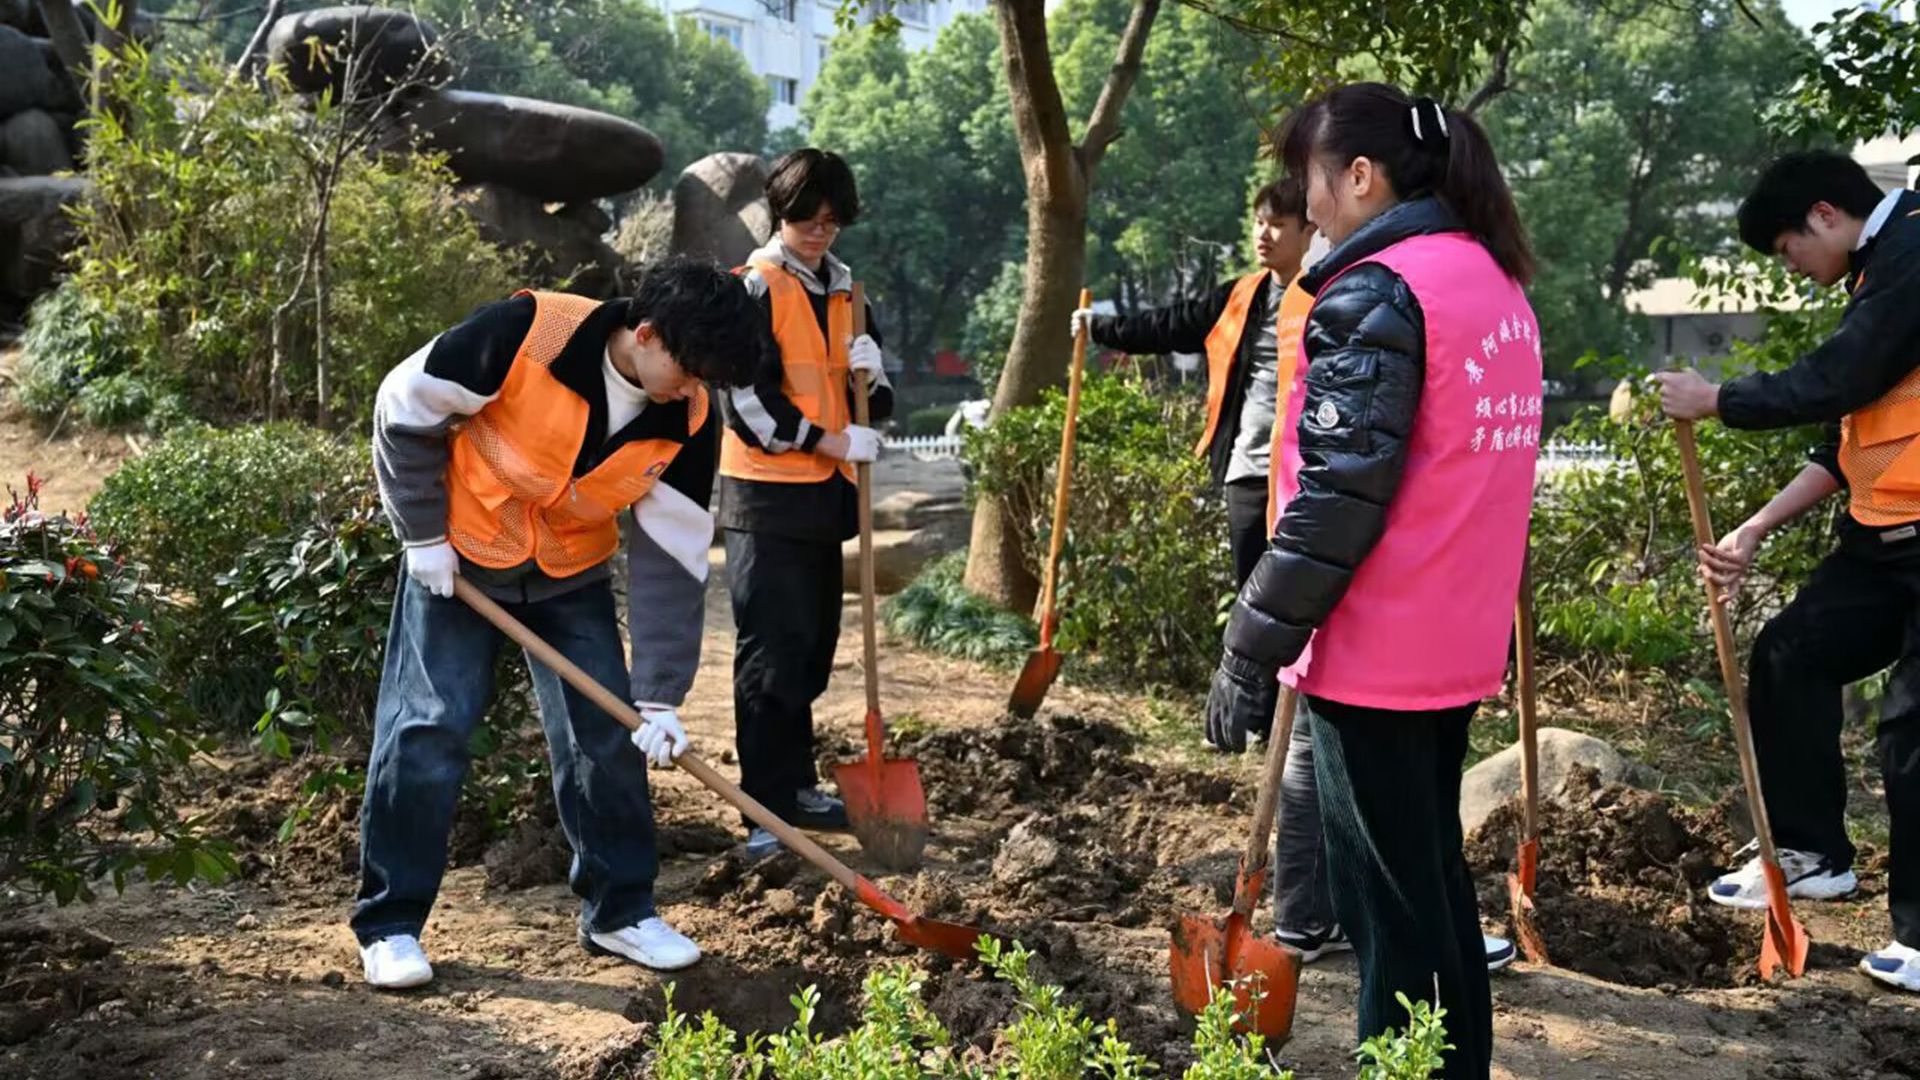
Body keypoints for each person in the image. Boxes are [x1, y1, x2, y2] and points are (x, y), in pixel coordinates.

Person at [1218, 83, 1542, 1078]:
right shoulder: (1491, 281)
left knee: (1389, 916)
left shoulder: (1376, 294)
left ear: (1359, 177)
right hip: (1454, 641)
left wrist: (1249, 644)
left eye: (1309, 179)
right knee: (1429, 886)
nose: (1304, 202)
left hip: (1378, 652)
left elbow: (1335, 502)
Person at [356, 258, 763, 989]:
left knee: (605, 735)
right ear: (646, 334)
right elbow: (403, 403)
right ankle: (390, 925)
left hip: (569, 572)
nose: (692, 390)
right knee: (428, 729)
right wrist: (422, 534)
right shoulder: (530, 333)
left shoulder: (690, 415)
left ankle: (620, 911)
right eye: (689, 372)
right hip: (461, 557)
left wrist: (661, 693)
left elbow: (672, 551)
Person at [1653, 149, 1920, 995]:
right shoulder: (1876, 275)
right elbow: (1851, 433)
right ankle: (1813, 853)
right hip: (1884, 540)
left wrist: (1719, 400)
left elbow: (1836, 377)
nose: (1791, 267)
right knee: (1791, 654)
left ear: (1824, 215)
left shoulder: (1915, 251)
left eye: (1786, 248)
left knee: (1911, 731)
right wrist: (1757, 525)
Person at [720, 148, 893, 860]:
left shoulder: (850, 293)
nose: (819, 233)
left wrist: (872, 381)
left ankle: (794, 788)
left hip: (826, 498)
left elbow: (877, 401)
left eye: (831, 221)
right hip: (765, 500)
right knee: (771, 653)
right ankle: (765, 809)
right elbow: (745, 402)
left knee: (811, 651)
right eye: (807, 220)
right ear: (779, 214)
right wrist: (830, 440)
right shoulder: (754, 288)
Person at [1070, 178, 1318, 664]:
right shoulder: (1241, 296)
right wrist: (1100, 328)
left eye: (1277, 224)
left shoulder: (1326, 297)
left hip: (1305, 475)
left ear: (1308, 231)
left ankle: (1298, 702)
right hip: (1247, 471)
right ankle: (1253, 698)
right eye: (1258, 222)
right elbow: (1171, 325)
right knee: (1252, 594)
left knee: (1300, 600)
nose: (1263, 234)